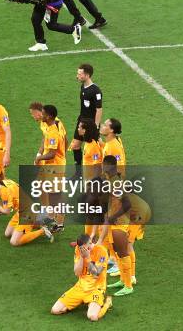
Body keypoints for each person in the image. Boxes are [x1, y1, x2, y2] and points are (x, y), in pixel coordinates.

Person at [95, 156, 134, 296]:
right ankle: (123, 280)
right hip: (114, 222)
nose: (102, 167)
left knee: (123, 253)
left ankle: (128, 285)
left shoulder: (116, 183)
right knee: (118, 252)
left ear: (110, 166)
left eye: (104, 165)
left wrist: (113, 217)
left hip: (120, 223)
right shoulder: (111, 181)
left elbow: (127, 204)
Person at [50, 233, 112, 321]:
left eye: (85, 248)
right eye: (81, 248)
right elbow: (77, 273)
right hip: (80, 287)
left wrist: (88, 257)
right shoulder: (79, 250)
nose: (83, 250)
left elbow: (96, 273)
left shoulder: (101, 251)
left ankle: (107, 303)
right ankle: (81, 300)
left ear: (91, 243)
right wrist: (82, 257)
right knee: (55, 310)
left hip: (96, 289)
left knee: (92, 317)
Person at [0, 180, 54, 246]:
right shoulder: (2, 183)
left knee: (14, 242)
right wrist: (1, 209)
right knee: (8, 234)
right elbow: (12, 198)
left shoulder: (4, 191)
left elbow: (6, 211)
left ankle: (43, 230)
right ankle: (38, 223)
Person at [34, 104, 68, 230]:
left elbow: (52, 154)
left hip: (55, 166)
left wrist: (39, 158)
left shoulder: (53, 131)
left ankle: (59, 223)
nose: (40, 115)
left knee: (56, 196)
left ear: (48, 116)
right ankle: (49, 214)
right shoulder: (49, 127)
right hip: (50, 166)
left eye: (42, 113)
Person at [71, 64, 103, 175]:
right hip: (82, 120)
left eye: (79, 74)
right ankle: (78, 173)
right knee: (75, 146)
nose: (77, 76)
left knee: (97, 148)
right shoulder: (83, 86)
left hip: (91, 124)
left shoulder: (96, 91)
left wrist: (96, 126)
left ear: (87, 75)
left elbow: (99, 109)